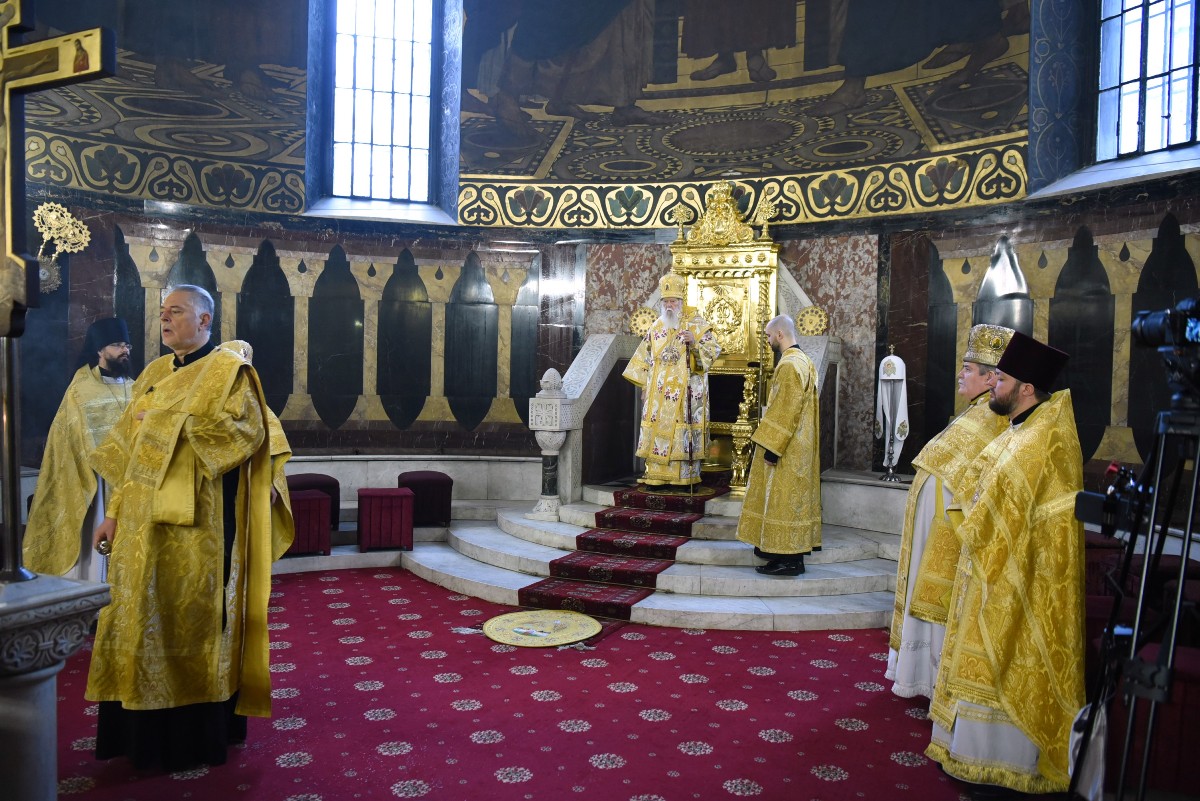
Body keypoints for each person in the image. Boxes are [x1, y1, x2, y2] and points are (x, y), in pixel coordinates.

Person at [86, 285, 293, 771]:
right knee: (136, 616)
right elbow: (129, 453)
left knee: (188, 619)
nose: (165, 319)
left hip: (197, 527)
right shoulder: (154, 373)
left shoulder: (228, 372)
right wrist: (113, 513)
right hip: (139, 525)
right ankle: (135, 732)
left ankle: (190, 738)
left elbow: (244, 433)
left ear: (204, 321)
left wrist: (162, 422)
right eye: (162, 312)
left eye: (176, 311)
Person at [926, 331, 1085, 795]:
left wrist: (973, 511)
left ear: (1026, 388)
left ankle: (1003, 768)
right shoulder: (1020, 429)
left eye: (1001, 379)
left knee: (1007, 661)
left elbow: (1008, 509)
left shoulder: (1040, 438)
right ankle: (966, 753)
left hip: (1022, 580)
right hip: (991, 569)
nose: (993, 385)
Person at [886, 323, 1013, 698]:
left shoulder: (992, 418)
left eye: (968, 369)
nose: (960, 374)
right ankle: (919, 673)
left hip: (947, 532)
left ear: (990, 378)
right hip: (934, 528)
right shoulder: (974, 412)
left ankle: (931, 677)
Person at [23, 317, 136, 581]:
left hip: (130, 479)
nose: (124, 350)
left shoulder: (135, 387)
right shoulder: (81, 390)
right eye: (117, 345)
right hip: (94, 480)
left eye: (127, 345)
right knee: (95, 552)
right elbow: (67, 439)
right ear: (99, 350)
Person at [735, 314, 821, 577]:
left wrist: (773, 448)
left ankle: (790, 561)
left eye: (769, 336)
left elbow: (786, 411)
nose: (768, 340)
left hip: (787, 447)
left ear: (780, 334)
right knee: (789, 502)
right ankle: (782, 556)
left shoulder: (789, 365)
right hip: (799, 444)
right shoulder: (804, 361)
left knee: (783, 503)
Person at [623, 272, 721, 491]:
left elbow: (713, 351)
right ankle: (656, 477)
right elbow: (644, 358)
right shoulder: (656, 327)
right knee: (657, 429)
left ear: (681, 302)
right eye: (666, 301)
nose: (669, 306)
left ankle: (683, 478)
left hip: (685, 392)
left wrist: (694, 343)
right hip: (658, 395)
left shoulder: (696, 324)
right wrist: (645, 386)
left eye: (673, 301)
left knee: (680, 431)